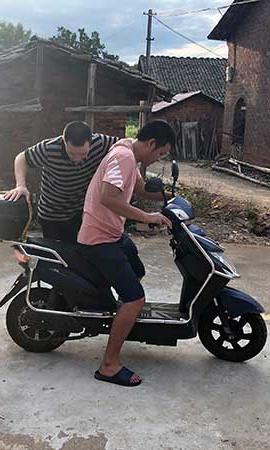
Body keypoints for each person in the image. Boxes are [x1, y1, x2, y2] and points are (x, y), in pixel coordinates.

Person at [77, 120, 176, 387]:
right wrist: (147, 216)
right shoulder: (124, 157)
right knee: (135, 299)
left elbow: (140, 188)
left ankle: (121, 318)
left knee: (137, 270)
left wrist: (169, 197)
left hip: (113, 234)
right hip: (100, 239)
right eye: (160, 153)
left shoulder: (127, 149)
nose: (158, 159)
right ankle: (109, 366)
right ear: (151, 143)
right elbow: (108, 197)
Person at [4, 121, 119, 243]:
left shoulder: (100, 143)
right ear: (64, 141)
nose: (77, 159)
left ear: (91, 142)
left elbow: (125, 146)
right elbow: (22, 158)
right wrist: (20, 185)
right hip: (53, 214)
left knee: (84, 248)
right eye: (72, 154)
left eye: (83, 154)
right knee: (58, 251)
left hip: (82, 210)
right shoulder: (49, 148)